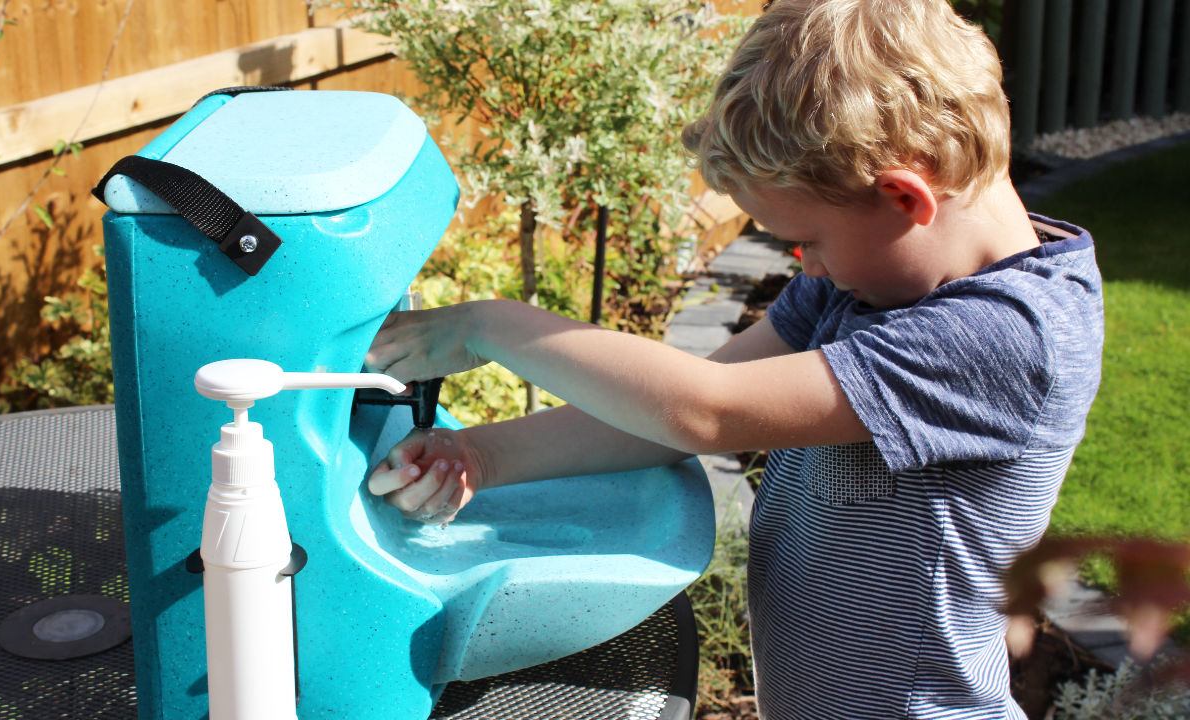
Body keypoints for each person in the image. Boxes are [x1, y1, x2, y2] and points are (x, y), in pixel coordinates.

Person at [362, 0, 1104, 717]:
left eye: (806, 238)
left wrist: (490, 326)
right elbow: (677, 412)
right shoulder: (869, 285)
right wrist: (478, 458)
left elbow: (706, 413)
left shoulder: (1010, 338)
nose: (803, 266)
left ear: (905, 198)